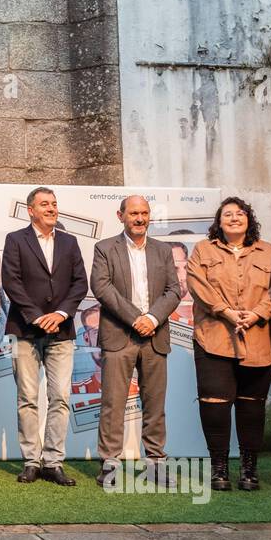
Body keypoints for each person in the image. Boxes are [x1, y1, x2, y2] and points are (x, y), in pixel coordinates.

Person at [186, 197, 271, 491]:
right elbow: (196, 283)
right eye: (227, 214)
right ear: (219, 221)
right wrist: (227, 312)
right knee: (214, 405)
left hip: (260, 339)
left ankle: (249, 468)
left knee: (251, 406)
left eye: (240, 213)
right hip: (214, 337)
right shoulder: (203, 249)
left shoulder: (269, 251)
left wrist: (256, 314)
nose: (234, 218)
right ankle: (219, 467)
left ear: (249, 219)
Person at [88, 195, 182, 488]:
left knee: (155, 404)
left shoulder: (163, 250)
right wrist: (136, 319)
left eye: (144, 213)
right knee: (113, 403)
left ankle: (155, 463)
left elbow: (174, 290)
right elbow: (102, 288)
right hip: (119, 335)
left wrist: (152, 319)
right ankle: (110, 464)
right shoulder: (104, 248)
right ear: (121, 216)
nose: (140, 218)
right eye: (133, 213)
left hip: (155, 336)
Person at [1, 186, 88, 486]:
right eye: (44, 204)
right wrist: (38, 316)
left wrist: (60, 314)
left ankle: (53, 462)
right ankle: (31, 461)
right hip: (25, 330)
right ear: (31, 210)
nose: (51, 208)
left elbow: (80, 284)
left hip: (62, 332)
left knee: (60, 398)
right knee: (27, 398)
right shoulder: (15, 240)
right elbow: (11, 282)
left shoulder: (70, 241)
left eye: (54, 203)